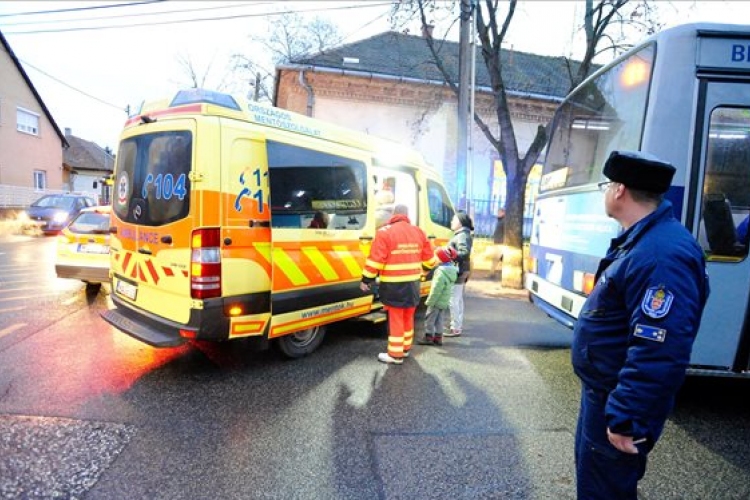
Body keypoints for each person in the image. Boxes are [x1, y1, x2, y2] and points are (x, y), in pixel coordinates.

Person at [572, 150, 710, 499]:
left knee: (606, 491)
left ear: (619, 190)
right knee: (597, 485)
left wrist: (626, 417)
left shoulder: (662, 254)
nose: (606, 192)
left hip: (616, 402)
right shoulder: (644, 240)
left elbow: (660, 347)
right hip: (605, 394)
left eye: (606, 185)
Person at [360, 204, 434, 365]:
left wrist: (366, 279)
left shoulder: (384, 232)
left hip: (393, 285)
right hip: (413, 284)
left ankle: (395, 355)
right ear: (407, 215)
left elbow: (375, 260)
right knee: (408, 316)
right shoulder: (419, 232)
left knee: (396, 318)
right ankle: (405, 349)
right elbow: (430, 260)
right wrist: (423, 271)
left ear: (393, 214)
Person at [418, 245, 458, 347]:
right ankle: (438, 338)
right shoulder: (452, 270)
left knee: (430, 319)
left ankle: (428, 337)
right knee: (439, 319)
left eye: (436, 257)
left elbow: (436, 289)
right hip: (444, 301)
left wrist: (430, 301)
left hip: (436, 301)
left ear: (441, 259)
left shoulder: (440, 272)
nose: (434, 259)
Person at [444, 210, 474, 337]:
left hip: (458, 270)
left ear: (460, 222)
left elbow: (464, 252)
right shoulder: (463, 234)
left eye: (454, 220)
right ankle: (457, 325)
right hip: (462, 269)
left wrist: (451, 254)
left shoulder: (462, 235)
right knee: (458, 299)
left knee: (453, 299)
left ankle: (455, 327)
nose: (451, 221)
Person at [490, 207, 506, 279]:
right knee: (500, 259)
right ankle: (493, 274)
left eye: (499, 212)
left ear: (503, 213)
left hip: (500, 243)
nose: (498, 214)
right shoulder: (500, 221)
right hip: (498, 243)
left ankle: (492, 274)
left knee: (496, 259)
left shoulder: (503, 221)